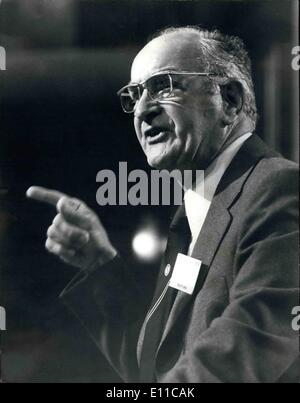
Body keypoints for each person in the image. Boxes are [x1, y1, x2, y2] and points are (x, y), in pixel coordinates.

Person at [26, 26, 299, 383]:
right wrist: (99, 263)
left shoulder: (280, 189)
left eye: (164, 86)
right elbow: (156, 369)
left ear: (229, 100)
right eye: (135, 95)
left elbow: (237, 359)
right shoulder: (195, 209)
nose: (142, 111)